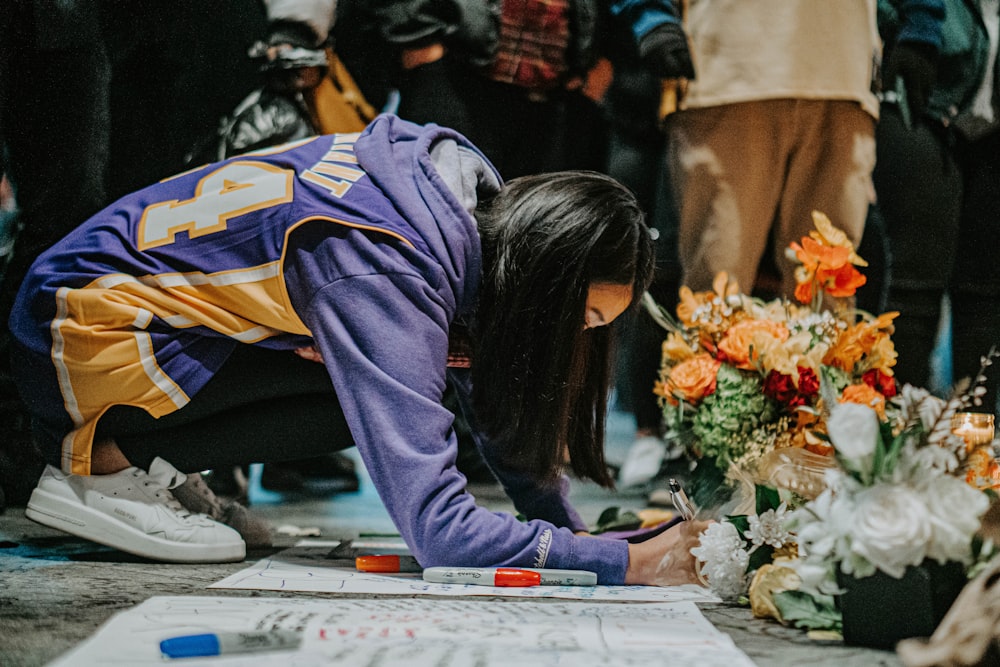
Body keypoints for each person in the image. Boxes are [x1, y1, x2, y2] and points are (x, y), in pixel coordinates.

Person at [9, 114, 707, 583]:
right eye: (584, 316)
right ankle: (103, 464)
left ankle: (139, 453)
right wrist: (620, 562)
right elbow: (443, 534)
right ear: (547, 285)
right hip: (74, 334)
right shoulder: (389, 264)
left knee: (365, 389)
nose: (579, 337)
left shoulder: (459, 198)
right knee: (372, 396)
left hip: (104, 318)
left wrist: (576, 532)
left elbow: (487, 399)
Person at [876, 0, 1000, 416]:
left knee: (984, 295)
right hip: (920, 97)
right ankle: (897, 447)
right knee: (913, 289)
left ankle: (971, 451)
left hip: (990, 121)